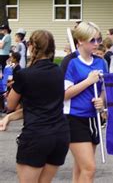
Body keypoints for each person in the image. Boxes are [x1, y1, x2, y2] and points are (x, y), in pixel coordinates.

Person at [5, 30, 70, 182]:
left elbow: (10, 104)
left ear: (32, 47)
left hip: (36, 135)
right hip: (60, 135)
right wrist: (10, 117)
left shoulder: (25, 74)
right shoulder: (59, 72)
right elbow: (42, 105)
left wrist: (10, 110)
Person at [61, 21, 107, 183]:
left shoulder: (101, 62)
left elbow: (104, 89)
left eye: (99, 40)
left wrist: (101, 101)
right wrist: (88, 81)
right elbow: (64, 94)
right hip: (73, 117)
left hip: (93, 118)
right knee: (89, 168)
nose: (97, 44)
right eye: (92, 40)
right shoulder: (71, 63)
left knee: (81, 168)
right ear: (80, 40)